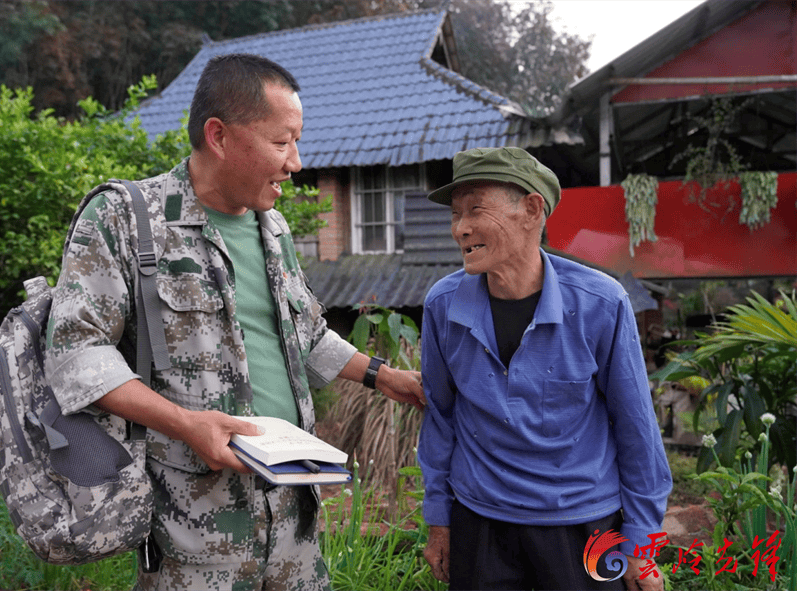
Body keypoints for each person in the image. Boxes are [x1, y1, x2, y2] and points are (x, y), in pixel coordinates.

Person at [45, 53, 425, 591]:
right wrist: (186, 424)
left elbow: (308, 334)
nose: (296, 162)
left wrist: (388, 377)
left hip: (295, 517)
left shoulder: (274, 229)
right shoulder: (125, 219)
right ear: (219, 136)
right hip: (193, 523)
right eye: (281, 141)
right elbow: (77, 354)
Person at [418, 147, 672, 591]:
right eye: (456, 214)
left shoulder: (601, 303)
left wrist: (642, 546)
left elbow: (637, 427)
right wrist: (440, 520)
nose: (461, 228)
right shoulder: (443, 305)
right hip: (480, 523)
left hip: (585, 523)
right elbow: (440, 416)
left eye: (476, 209)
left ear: (532, 209)